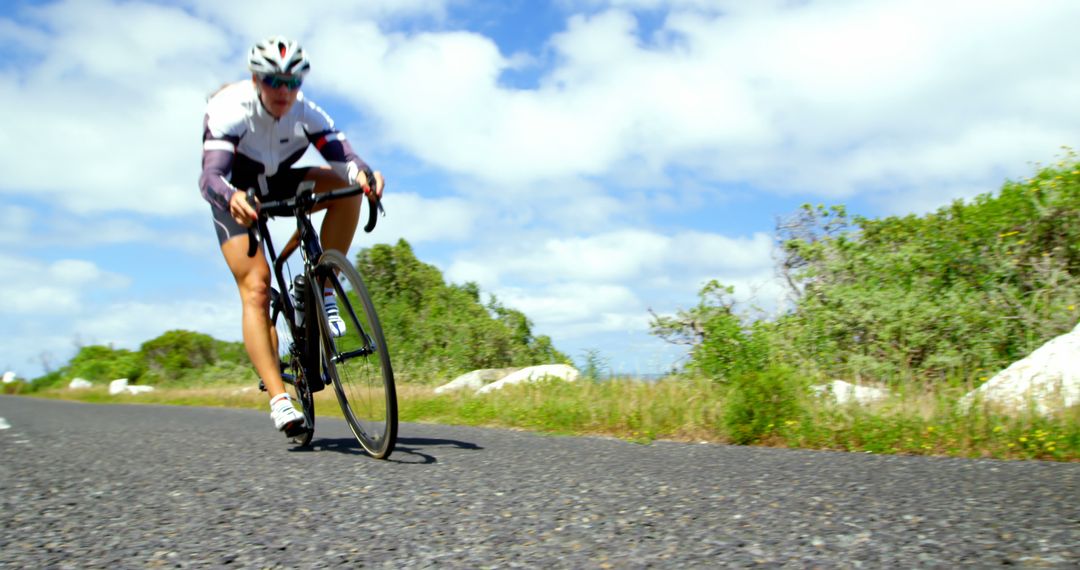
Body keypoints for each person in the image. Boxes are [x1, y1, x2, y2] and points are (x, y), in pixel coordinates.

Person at [199, 36, 384, 435]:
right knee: (257, 287)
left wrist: (364, 175)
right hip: (237, 193)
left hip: (281, 181)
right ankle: (280, 399)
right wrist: (231, 198)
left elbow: (344, 157)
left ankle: (323, 282)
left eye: (292, 82)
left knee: (346, 189)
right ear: (255, 79)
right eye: (273, 82)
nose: (283, 91)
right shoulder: (228, 109)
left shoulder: (306, 112)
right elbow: (210, 176)